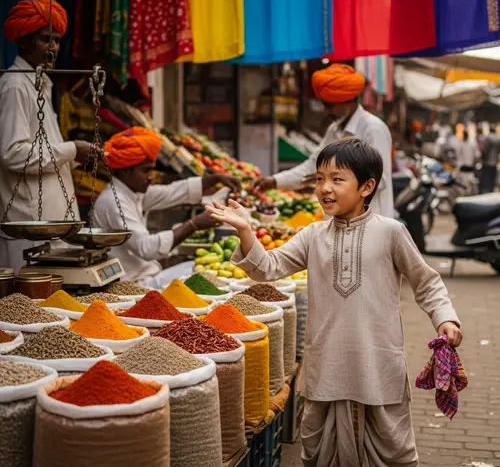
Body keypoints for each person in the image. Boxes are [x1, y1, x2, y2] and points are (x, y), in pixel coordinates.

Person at [207, 138, 462, 466]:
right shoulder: (313, 235)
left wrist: (446, 319)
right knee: (319, 452)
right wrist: (245, 231)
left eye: (337, 179)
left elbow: (426, 283)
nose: (325, 188)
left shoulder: (391, 233)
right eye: (319, 179)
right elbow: (267, 268)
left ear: (367, 186)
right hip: (325, 366)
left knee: (392, 451)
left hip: (378, 365)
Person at [0, 0, 92, 271]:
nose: (53, 49)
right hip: (29, 229)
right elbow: (12, 154)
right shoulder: (15, 86)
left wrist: (75, 156)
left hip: (49, 227)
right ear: (24, 41)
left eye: (56, 41)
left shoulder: (40, 85)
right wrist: (73, 149)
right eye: (45, 40)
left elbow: (43, 150)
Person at [93, 127, 241, 287]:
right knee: (198, 273)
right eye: (146, 170)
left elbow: (171, 192)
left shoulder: (131, 192)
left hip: (146, 273)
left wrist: (214, 179)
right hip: (132, 283)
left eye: (152, 170)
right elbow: (147, 248)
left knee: (200, 271)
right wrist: (194, 224)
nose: (151, 177)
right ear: (124, 172)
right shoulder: (114, 201)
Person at [254, 63, 394, 218]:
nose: (327, 111)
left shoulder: (373, 128)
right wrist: (275, 181)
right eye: (325, 105)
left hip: (370, 223)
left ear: (348, 101)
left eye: (330, 105)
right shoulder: (334, 130)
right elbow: (312, 166)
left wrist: (332, 177)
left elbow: (380, 181)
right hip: (339, 222)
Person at [479, 129, 500, 194]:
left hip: (488, 162)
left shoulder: (488, 138)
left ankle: (487, 191)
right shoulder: (498, 138)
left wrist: (482, 158)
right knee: (493, 177)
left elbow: (485, 150)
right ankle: (491, 190)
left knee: (487, 178)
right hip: (494, 161)